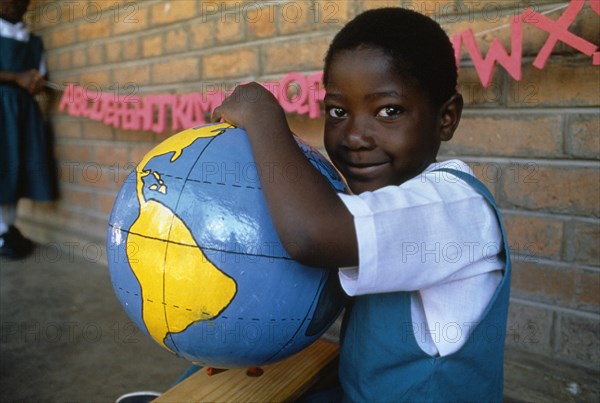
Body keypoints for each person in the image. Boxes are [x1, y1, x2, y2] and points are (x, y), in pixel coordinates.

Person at [210, 7, 511, 402]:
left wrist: (262, 115)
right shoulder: (390, 200)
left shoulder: (454, 208)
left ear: (446, 118)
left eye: (389, 111)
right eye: (338, 111)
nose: (354, 136)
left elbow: (309, 235)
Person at [0, 0, 57, 259]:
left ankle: (7, 227)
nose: (13, 3)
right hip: (2, 108)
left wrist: (36, 83)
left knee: (17, 167)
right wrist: (15, 77)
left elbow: (40, 76)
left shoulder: (33, 40)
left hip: (22, 111)